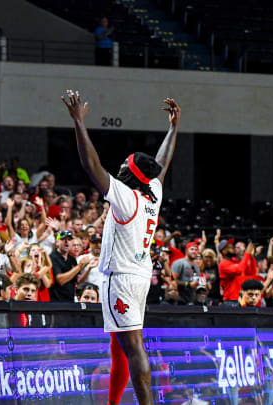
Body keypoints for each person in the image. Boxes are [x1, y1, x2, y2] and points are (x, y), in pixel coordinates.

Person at [62, 89, 180, 405]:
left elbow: (91, 165)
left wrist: (78, 122)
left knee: (133, 347)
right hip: (139, 275)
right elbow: (162, 162)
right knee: (120, 346)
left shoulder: (126, 197)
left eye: (124, 166)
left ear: (129, 173)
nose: (120, 168)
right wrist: (172, 129)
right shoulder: (152, 190)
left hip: (122, 279)